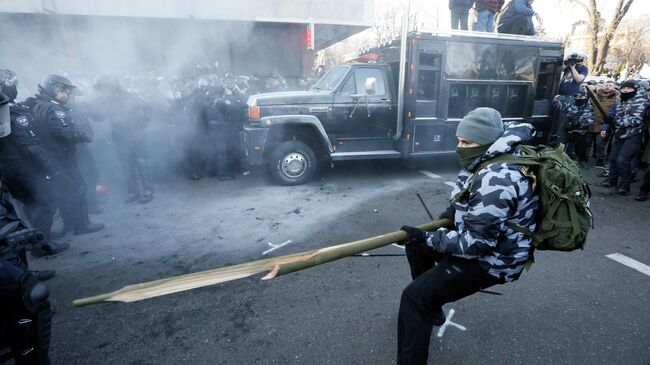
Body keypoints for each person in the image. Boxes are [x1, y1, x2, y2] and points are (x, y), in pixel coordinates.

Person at [396, 108, 539, 365]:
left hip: (494, 261)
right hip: (484, 241)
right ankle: (434, 308)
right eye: (459, 140)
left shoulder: (497, 176)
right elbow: (470, 200)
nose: (460, 147)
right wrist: (449, 216)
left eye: (467, 142)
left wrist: (429, 237)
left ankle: (424, 312)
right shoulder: (488, 157)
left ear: (486, 141)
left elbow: (478, 244)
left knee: (413, 299)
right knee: (417, 249)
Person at [30, 74, 105, 236]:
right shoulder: (54, 108)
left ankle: (70, 224)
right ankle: (82, 225)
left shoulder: (39, 105)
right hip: (62, 156)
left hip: (52, 156)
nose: (66, 95)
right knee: (78, 188)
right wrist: (83, 135)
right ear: (53, 89)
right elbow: (64, 133)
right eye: (63, 91)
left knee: (64, 191)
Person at [0, 70, 58, 241]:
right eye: (13, 85)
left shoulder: (6, 112)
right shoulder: (14, 114)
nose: (16, 89)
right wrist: (49, 166)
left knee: (29, 202)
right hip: (23, 166)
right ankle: (42, 242)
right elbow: (30, 146)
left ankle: (37, 235)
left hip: (8, 168)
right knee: (46, 202)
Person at [93, 75, 154, 203]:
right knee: (126, 166)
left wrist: (144, 121)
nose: (104, 91)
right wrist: (92, 111)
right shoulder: (106, 101)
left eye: (105, 88)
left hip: (138, 137)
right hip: (121, 139)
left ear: (113, 87)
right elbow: (99, 117)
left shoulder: (131, 96)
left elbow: (148, 108)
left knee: (141, 164)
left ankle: (147, 191)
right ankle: (133, 192)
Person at [600, 80, 650, 195]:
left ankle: (624, 185)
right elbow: (616, 114)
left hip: (633, 135)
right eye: (623, 88)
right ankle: (612, 180)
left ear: (635, 89)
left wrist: (616, 122)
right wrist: (609, 123)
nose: (626, 90)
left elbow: (635, 120)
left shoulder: (642, 101)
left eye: (629, 88)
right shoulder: (621, 100)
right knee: (613, 157)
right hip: (619, 134)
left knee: (623, 160)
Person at [587, 80, 618, 167]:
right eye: (606, 85)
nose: (607, 87)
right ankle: (585, 157)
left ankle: (600, 159)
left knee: (600, 142)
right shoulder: (594, 96)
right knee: (587, 141)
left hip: (604, 124)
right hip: (592, 122)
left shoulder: (616, 98)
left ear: (613, 87)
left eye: (610, 85)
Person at [565, 91, 595, 167]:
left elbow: (591, 120)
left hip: (581, 131)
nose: (578, 98)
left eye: (581, 97)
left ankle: (581, 161)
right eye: (577, 97)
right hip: (569, 130)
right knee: (566, 146)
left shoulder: (589, 107)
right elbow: (565, 115)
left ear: (585, 97)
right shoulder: (570, 105)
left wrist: (580, 123)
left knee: (581, 147)